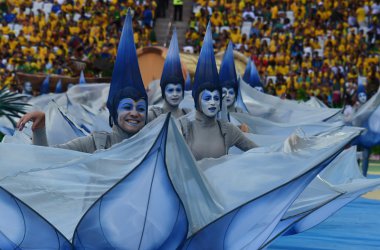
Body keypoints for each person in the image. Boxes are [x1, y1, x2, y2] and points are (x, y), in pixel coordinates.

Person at [17, 10, 147, 154]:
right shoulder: (95, 144)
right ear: (114, 111)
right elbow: (48, 158)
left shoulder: (155, 145)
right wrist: (40, 128)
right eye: (127, 106)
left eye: (141, 109)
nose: (135, 113)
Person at [178, 23, 257, 161]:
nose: (213, 102)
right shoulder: (182, 127)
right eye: (207, 98)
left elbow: (259, 152)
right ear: (197, 100)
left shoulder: (227, 130)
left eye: (216, 98)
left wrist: (287, 149)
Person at [148, 29, 190, 122]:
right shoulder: (152, 116)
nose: (175, 94)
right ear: (163, 92)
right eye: (170, 90)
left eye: (178, 90)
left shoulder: (189, 117)